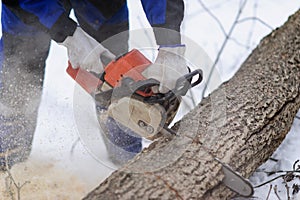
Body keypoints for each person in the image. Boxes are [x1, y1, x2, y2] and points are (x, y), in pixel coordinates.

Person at [0, 0, 187, 168]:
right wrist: (68, 35)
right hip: (33, 3)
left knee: (116, 85)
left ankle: (128, 164)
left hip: (100, 6)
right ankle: (6, 163)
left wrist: (170, 46)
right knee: (17, 80)